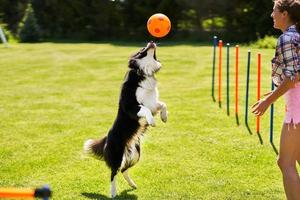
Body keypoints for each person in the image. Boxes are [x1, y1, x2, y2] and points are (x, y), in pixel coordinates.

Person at [251, 0, 300, 199]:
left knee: (285, 162)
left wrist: (268, 101)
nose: (271, 14)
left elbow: (293, 77)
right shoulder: (296, 35)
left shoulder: (288, 38)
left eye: (274, 10)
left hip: (297, 107)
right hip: (296, 101)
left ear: (284, 14)